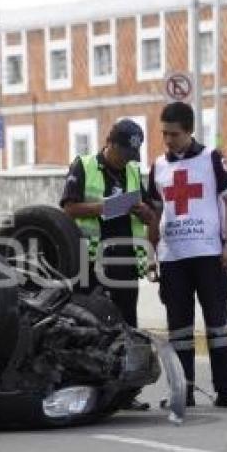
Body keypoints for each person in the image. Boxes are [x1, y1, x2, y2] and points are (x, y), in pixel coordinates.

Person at [148, 101, 227, 408]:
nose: (168, 140)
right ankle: (181, 391)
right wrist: (151, 254)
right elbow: (154, 215)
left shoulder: (212, 159)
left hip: (208, 255)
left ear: (189, 131)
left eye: (173, 134)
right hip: (173, 258)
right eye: (164, 134)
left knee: (217, 327)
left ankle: (226, 390)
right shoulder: (158, 167)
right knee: (179, 331)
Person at [61, 119, 156, 329]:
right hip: (90, 260)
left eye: (130, 156)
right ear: (109, 143)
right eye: (123, 154)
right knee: (88, 320)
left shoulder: (132, 171)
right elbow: (69, 209)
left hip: (126, 260)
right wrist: (109, 207)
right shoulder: (83, 166)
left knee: (127, 321)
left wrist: (144, 212)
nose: (125, 160)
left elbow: (151, 216)